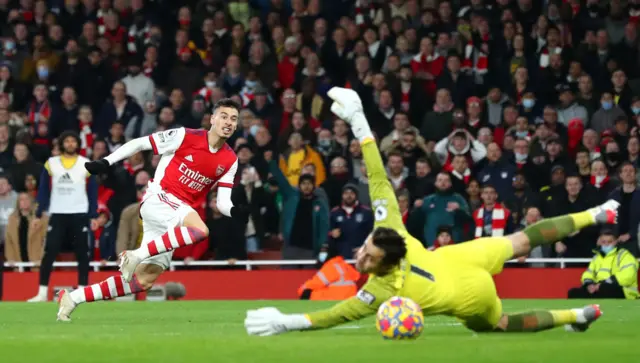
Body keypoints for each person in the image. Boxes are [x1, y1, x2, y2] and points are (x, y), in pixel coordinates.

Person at [244, 87, 617, 336]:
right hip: (461, 258)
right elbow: (377, 173)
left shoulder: (380, 289)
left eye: (367, 257)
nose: (361, 256)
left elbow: (332, 315)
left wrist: (288, 322)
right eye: (365, 251)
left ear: (384, 266)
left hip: (470, 295)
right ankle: (596, 215)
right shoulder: (392, 231)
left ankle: (575, 315)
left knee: (499, 323)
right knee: (521, 240)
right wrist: (358, 120)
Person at [56, 98, 248, 321]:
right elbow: (139, 143)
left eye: (233, 119)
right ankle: (134, 255)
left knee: (143, 281)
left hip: (173, 216)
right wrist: (106, 162)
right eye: (223, 116)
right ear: (212, 119)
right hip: (159, 198)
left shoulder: (230, 159)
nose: (228, 122)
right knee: (200, 230)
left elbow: (223, 202)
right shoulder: (185, 136)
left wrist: (235, 211)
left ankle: (73, 298)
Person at [28, 132, 97, 302]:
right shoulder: (51, 164)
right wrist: (38, 213)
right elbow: (43, 189)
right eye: (67, 141)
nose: (70, 144)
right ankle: (42, 292)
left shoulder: (86, 163)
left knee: (82, 253)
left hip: (79, 213)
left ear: (78, 144)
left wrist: (93, 215)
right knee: (49, 252)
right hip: (57, 213)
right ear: (61, 143)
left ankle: (82, 293)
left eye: (73, 141)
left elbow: (92, 191)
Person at [567, 227, 638, 300]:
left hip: (624, 292)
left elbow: (627, 276)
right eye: (603, 242)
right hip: (599, 288)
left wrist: (603, 284)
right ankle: (587, 310)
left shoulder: (625, 255)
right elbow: (588, 273)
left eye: (609, 241)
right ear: (600, 242)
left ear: (615, 242)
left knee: (605, 288)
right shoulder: (597, 257)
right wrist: (589, 284)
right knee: (573, 292)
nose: (606, 244)